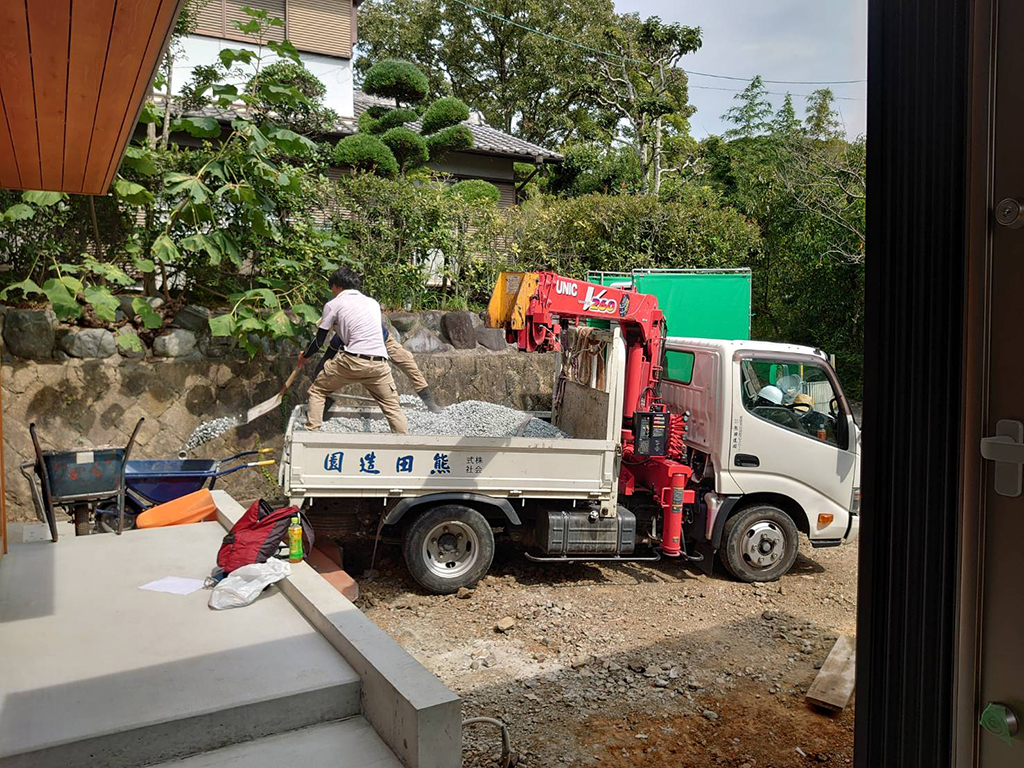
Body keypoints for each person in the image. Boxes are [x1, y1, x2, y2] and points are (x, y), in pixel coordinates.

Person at [299, 267, 408, 434]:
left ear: (336, 286)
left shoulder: (333, 305)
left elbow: (319, 341)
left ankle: (312, 435)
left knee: (318, 391)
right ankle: (404, 444)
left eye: (332, 288)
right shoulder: (372, 303)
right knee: (392, 406)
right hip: (380, 363)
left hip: (352, 361)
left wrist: (305, 356)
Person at [314, 324, 444, 420]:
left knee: (408, 362)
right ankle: (323, 402)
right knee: (330, 373)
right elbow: (328, 356)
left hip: (384, 341)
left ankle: (430, 402)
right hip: (359, 354)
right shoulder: (341, 335)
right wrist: (317, 378)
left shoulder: (367, 319)